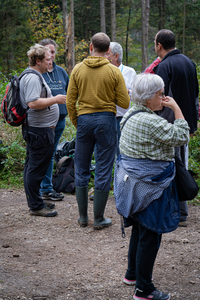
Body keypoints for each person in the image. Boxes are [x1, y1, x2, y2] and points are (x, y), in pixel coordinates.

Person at [115, 73, 190, 300]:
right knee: (151, 233)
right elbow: (182, 135)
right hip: (152, 186)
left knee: (140, 228)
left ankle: (132, 275)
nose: (163, 98)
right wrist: (176, 108)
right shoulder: (151, 121)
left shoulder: (131, 114)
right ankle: (144, 290)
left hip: (134, 185)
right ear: (148, 98)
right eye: (160, 94)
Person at [66, 32, 130, 229]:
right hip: (106, 121)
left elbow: (70, 101)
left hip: (84, 120)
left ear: (90, 47)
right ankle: (99, 218)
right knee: (103, 167)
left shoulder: (78, 69)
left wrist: (78, 122)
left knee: (82, 166)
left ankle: (83, 217)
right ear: (108, 51)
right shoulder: (114, 72)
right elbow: (125, 103)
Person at [154, 29, 199, 227]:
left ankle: (178, 212)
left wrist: (158, 123)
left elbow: (160, 98)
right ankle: (181, 211)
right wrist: (192, 124)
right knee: (181, 163)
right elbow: (195, 93)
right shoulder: (189, 62)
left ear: (159, 45)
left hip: (170, 123)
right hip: (186, 122)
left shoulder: (165, 65)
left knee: (172, 165)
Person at [20, 44, 66, 217]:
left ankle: (35, 200)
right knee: (36, 168)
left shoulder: (34, 75)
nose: (50, 61)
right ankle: (36, 206)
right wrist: (55, 99)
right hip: (39, 130)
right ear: (38, 61)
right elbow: (33, 103)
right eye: (47, 59)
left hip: (38, 129)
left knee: (33, 166)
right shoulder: (32, 78)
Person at [39, 39, 69, 201]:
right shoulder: (37, 72)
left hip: (60, 121)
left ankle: (46, 188)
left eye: (53, 51)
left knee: (50, 153)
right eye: (48, 51)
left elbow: (70, 92)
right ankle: (44, 188)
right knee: (44, 154)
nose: (51, 55)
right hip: (43, 122)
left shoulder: (61, 72)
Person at [105, 42, 136, 156]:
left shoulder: (130, 72)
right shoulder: (102, 71)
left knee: (121, 153)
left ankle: (121, 173)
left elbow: (136, 96)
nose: (104, 56)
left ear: (116, 56)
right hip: (105, 118)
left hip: (122, 119)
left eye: (107, 54)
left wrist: (125, 91)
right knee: (105, 153)